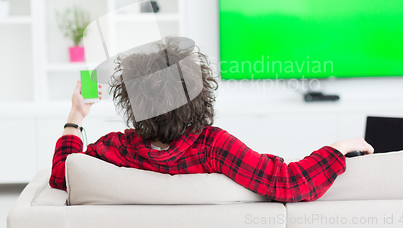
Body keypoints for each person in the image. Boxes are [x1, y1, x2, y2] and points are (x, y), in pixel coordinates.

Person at [49, 41, 374, 202]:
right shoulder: (214, 147)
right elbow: (288, 183)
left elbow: (64, 175)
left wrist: (76, 114)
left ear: (134, 102)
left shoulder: (117, 148)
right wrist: (340, 146)